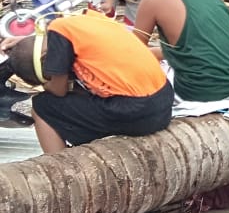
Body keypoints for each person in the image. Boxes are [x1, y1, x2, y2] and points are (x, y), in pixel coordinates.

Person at [0, 12, 173, 153]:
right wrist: (24, 44)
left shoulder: (59, 38)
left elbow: (58, 90)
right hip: (164, 99)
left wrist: (47, 85)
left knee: (42, 105)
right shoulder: (83, 21)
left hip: (137, 111)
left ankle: (60, 165)